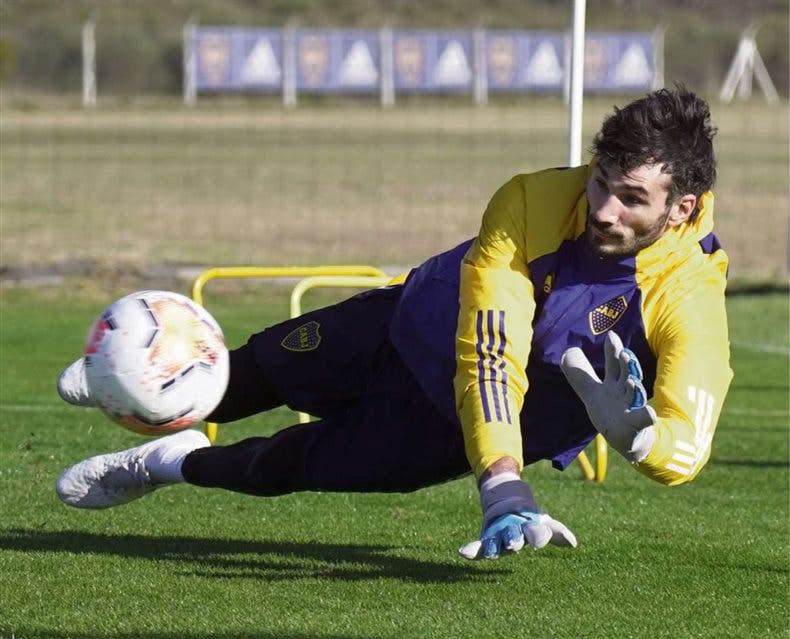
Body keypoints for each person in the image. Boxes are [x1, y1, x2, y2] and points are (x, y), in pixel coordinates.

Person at [55, 85, 732, 561]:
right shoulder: (532, 198)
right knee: (250, 370)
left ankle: (166, 463)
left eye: (632, 196)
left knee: (285, 465)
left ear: (682, 208)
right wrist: (504, 484)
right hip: (402, 327)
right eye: (601, 179)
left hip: (444, 430)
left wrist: (640, 439)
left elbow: (689, 448)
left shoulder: (690, 298)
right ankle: (121, 375)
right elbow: (491, 355)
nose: (605, 207)